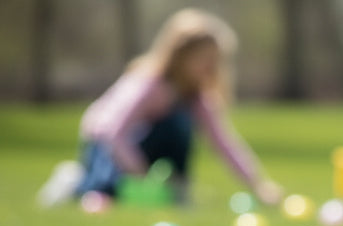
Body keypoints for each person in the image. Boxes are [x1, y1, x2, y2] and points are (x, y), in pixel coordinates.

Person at [42, 8, 281, 207]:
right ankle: (75, 181)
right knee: (104, 192)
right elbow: (114, 132)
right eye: (204, 59)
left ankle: (176, 190)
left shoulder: (196, 96)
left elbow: (224, 142)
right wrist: (139, 173)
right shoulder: (150, 84)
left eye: (216, 60)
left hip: (139, 144)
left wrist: (258, 184)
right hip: (106, 142)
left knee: (180, 125)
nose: (211, 66)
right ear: (180, 55)